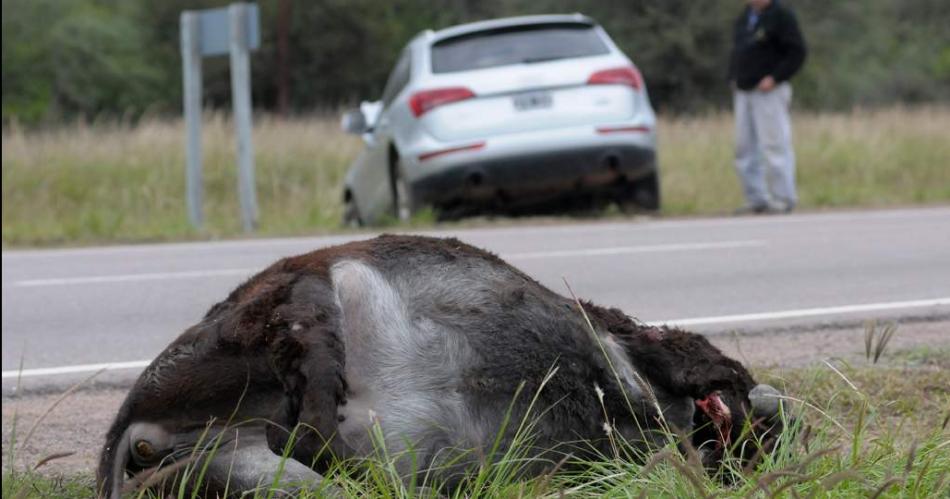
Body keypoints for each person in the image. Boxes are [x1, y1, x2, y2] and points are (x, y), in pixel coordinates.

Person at [729, 0, 807, 214]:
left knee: (774, 144)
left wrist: (775, 78)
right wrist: (733, 77)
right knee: (743, 147)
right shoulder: (745, 17)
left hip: (769, 91)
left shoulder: (781, 16)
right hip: (744, 90)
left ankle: (783, 197)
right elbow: (738, 50)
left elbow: (797, 52)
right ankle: (756, 198)